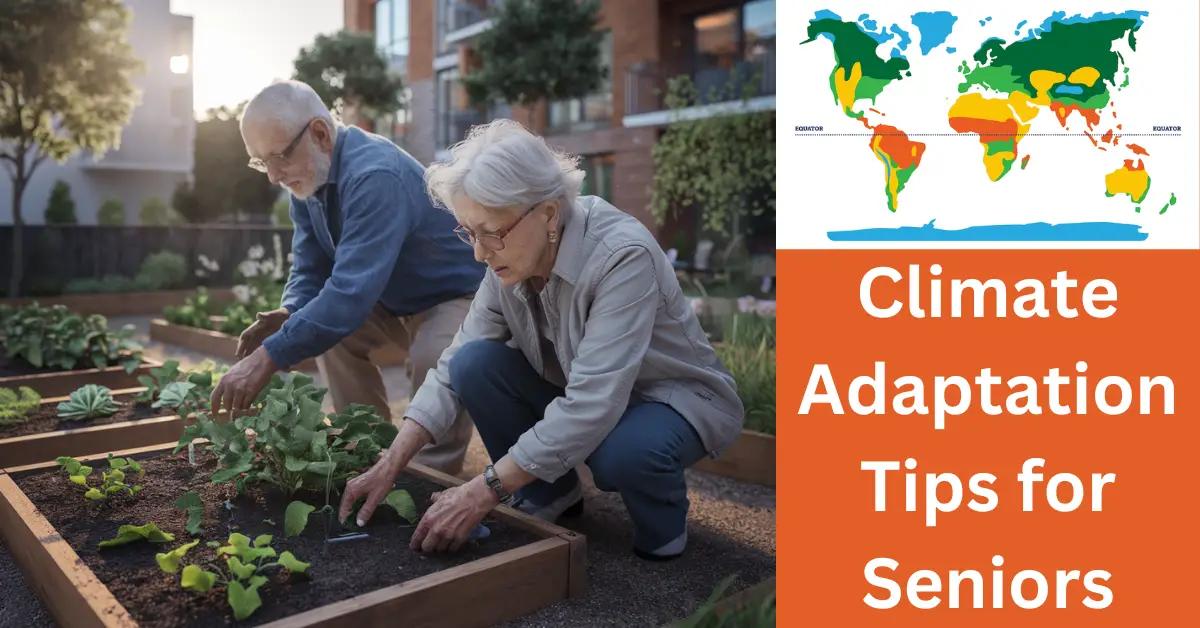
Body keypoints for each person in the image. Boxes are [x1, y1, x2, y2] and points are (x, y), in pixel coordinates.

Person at [340, 120, 744, 560]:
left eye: (490, 232)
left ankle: (664, 525)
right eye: (469, 232)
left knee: (622, 453)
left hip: (670, 401)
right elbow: (453, 365)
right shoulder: (510, 256)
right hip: (594, 393)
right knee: (472, 364)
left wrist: (483, 490)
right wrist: (391, 463)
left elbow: (593, 404)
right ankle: (552, 491)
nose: (479, 252)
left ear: (548, 213)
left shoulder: (623, 256)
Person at [211, 80, 484, 475]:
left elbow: (349, 295)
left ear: (320, 133)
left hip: (457, 295)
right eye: (261, 162)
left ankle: (428, 476)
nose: (272, 176)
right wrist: (290, 312)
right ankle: (368, 447)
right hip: (394, 298)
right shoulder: (307, 180)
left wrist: (268, 358)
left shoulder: (375, 175)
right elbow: (309, 269)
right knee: (327, 333)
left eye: (278, 157)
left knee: (434, 356)